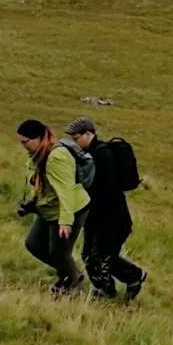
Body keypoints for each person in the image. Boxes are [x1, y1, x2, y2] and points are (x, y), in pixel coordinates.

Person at [65, 117, 147, 301]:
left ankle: (134, 276)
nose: (74, 142)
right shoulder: (88, 154)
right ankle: (105, 289)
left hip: (111, 216)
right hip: (95, 215)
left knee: (104, 256)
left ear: (89, 134)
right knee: (89, 255)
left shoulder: (102, 154)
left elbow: (108, 189)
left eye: (76, 138)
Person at [15, 119, 90, 295]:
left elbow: (66, 191)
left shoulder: (56, 157)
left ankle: (70, 288)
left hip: (70, 209)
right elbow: (46, 186)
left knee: (59, 254)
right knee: (33, 244)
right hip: (49, 209)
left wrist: (65, 222)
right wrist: (33, 203)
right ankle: (70, 274)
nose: (23, 146)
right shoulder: (39, 154)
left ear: (38, 138)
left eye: (25, 142)